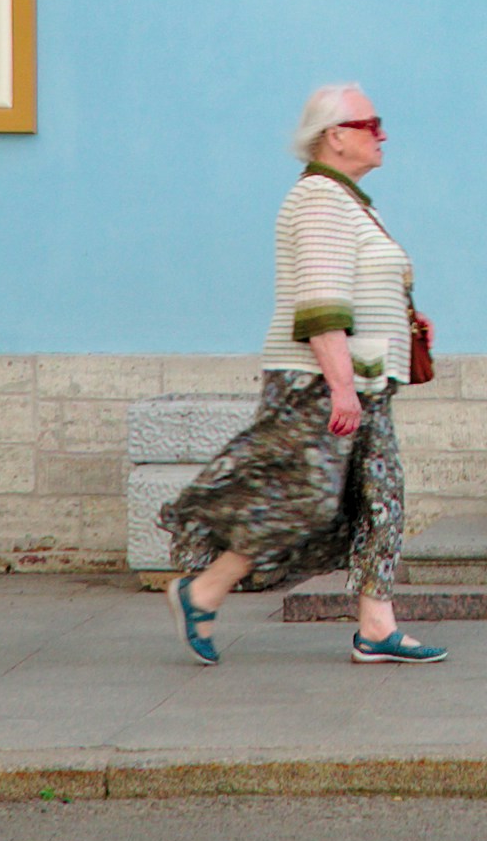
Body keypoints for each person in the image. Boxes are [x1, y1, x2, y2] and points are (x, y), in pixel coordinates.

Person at [157, 82, 447, 664]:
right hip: (319, 384)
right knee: (302, 500)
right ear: (336, 136)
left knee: (381, 502)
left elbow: (356, 283)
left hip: (365, 384)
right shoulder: (318, 201)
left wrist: (402, 322)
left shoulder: (348, 200)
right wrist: (341, 388)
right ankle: (204, 587)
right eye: (372, 123)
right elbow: (318, 303)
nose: (382, 134)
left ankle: (376, 627)